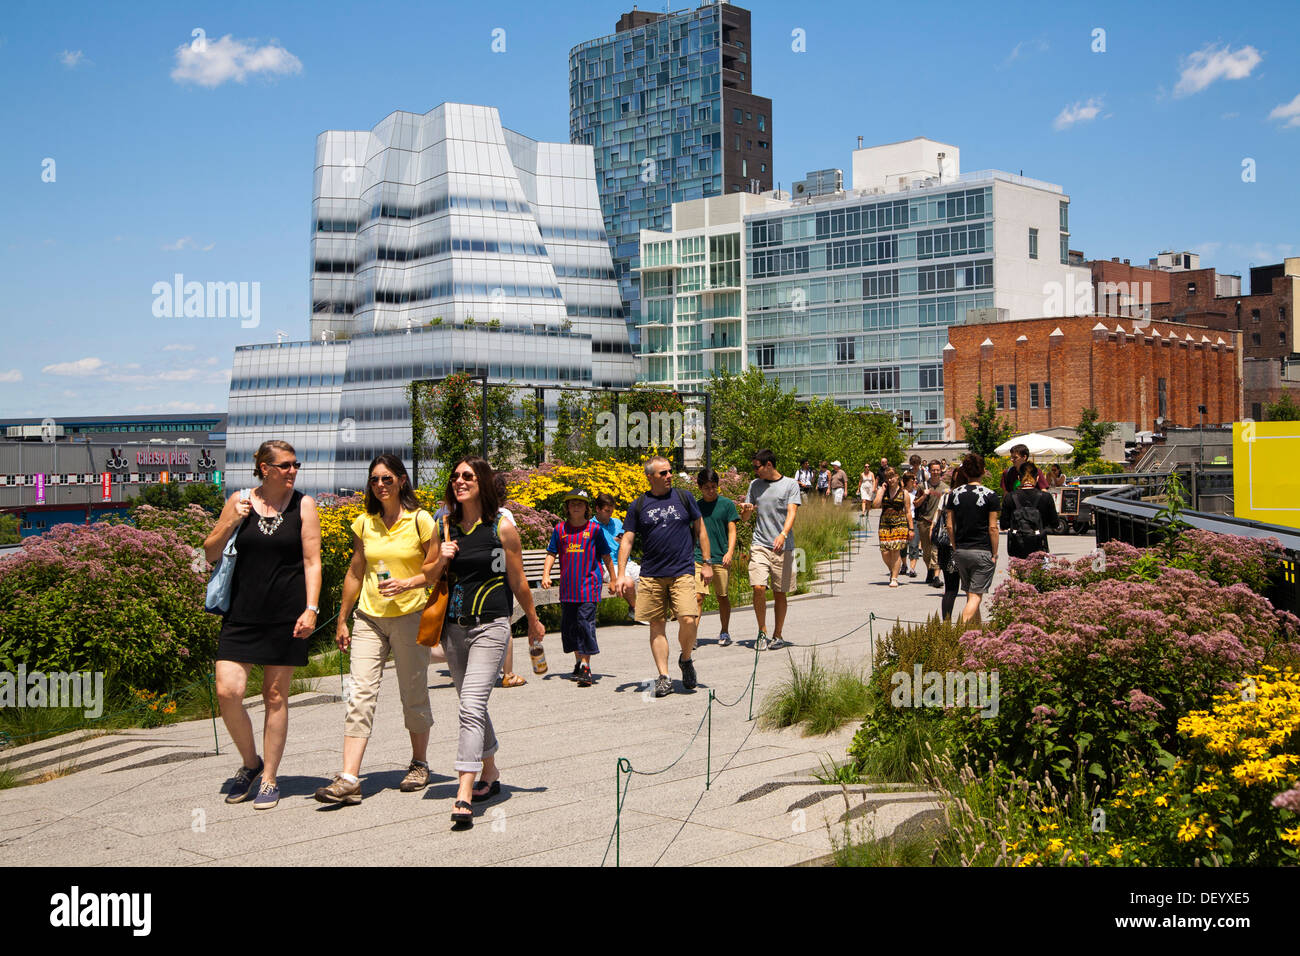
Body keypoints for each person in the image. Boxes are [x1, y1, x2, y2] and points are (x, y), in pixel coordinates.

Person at [421, 456, 546, 828]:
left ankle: (464, 792)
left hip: (492, 626)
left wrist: (534, 620)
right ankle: (491, 774)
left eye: (468, 476)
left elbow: (519, 580)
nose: (459, 481)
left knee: (471, 704)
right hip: (454, 629)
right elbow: (427, 576)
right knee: (470, 704)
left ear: (483, 482)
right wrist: (440, 559)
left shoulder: (501, 528)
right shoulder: (443, 526)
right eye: (456, 477)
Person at [204, 439, 321, 810]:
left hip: (287, 615)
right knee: (228, 691)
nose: (293, 471)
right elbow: (208, 551)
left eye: (295, 465)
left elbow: (312, 561)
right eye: (285, 465)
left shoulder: (304, 504)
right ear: (265, 468)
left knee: (275, 696)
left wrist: (312, 608)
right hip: (241, 615)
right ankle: (250, 763)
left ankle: (269, 777)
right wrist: (231, 521)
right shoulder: (238, 500)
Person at [316, 455, 436, 806]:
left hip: (410, 614)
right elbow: (355, 571)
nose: (380, 485)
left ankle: (419, 763)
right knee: (360, 694)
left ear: (401, 480)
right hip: (369, 617)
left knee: (412, 692)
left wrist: (408, 584)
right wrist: (342, 617)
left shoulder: (421, 520)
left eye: (386, 479)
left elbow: (436, 568)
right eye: (374, 480)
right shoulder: (364, 523)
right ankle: (350, 777)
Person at [617, 456, 713, 698]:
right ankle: (664, 677)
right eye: (663, 473)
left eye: (670, 471)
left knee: (688, 619)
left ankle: (686, 658)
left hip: (682, 570)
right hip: (652, 575)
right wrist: (620, 574)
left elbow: (701, 530)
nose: (669, 475)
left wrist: (707, 563)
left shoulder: (684, 498)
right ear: (650, 477)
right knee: (657, 626)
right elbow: (627, 539)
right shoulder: (639, 504)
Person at [541, 488, 615, 687]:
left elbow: (606, 555)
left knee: (585, 624)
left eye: (580, 503)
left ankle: (585, 666)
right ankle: (577, 662)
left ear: (587, 508)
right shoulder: (560, 530)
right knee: (571, 628)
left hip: (588, 587)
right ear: (567, 507)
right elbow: (551, 553)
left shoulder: (594, 530)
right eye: (572, 503)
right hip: (568, 589)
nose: (576, 506)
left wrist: (614, 579)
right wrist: (546, 574)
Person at [739, 449, 800, 650]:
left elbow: (792, 512)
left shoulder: (790, 484)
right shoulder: (754, 485)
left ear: (769, 465)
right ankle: (762, 632)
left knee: (780, 593)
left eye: (757, 467)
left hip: (783, 546)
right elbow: (745, 518)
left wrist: (783, 534)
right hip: (759, 544)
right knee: (758, 587)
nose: (755, 471)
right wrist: (746, 511)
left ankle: (778, 634)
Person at [945, 453, 1001, 624]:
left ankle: (976, 636)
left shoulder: (954, 494)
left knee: (970, 594)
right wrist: (995, 553)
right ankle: (958, 632)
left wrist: (955, 546)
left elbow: (949, 525)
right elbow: (993, 527)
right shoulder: (991, 495)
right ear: (984, 471)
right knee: (976, 596)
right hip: (982, 549)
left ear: (965, 472)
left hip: (961, 550)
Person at [694, 468, 738, 646]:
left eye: (713, 487)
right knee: (697, 597)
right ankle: (692, 636)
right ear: (700, 487)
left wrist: (730, 552)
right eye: (706, 487)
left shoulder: (727, 505)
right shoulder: (695, 507)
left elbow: (732, 530)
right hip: (699, 557)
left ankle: (725, 631)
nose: (711, 491)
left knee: (722, 596)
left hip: (721, 556)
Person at [493, 472, 527, 688]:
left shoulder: (470, 514)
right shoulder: (504, 515)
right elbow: (514, 546)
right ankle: (508, 673)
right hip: (502, 576)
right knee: (505, 627)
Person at [594, 493, 640, 624]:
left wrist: (621, 541)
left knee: (651, 576)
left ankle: (649, 610)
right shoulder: (591, 526)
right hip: (607, 565)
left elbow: (627, 540)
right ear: (598, 509)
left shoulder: (617, 522)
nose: (609, 514)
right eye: (606, 511)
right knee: (628, 582)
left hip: (627, 562)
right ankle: (634, 610)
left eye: (611, 511)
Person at [1000, 462, 1058, 560]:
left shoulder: (1010, 497)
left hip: (1017, 549)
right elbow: (1055, 523)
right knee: (1038, 574)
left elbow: (1003, 525)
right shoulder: (1046, 497)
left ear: (1019, 478)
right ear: (1038, 478)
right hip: (1039, 547)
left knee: (1018, 573)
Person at [873, 467, 912, 587]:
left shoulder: (904, 493)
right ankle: (893, 569)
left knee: (895, 550)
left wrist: (911, 529)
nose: (890, 479)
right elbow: (875, 505)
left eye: (892, 477)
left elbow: (908, 511)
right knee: (885, 551)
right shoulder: (883, 490)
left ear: (897, 477)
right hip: (885, 523)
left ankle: (894, 578)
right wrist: (881, 491)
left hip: (899, 523)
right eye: (888, 477)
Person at [913, 460, 949, 588]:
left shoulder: (945, 487)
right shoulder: (923, 486)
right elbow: (915, 503)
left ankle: (935, 575)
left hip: (938, 523)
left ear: (941, 471)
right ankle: (930, 570)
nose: (935, 472)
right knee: (927, 551)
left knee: (936, 549)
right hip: (924, 521)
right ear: (929, 471)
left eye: (937, 470)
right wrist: (924, 496)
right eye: (933, 470)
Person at [930, 483, 961, 620]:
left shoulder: (947, 496)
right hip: (967, 546)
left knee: (950, 589)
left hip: (947, 546)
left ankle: (946, 626)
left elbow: (937, 519)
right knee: (973, 591)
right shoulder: (978, 494)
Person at [902, 472, 922, 577]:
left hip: (914, 519)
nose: (914, 482)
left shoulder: (917, 492)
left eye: (915, 480)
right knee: (903, 546)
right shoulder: (901, 493)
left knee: (914, 545)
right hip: (902, 520)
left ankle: (912, 568)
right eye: (912, 480)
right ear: (907, 481)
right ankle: (904, 565)